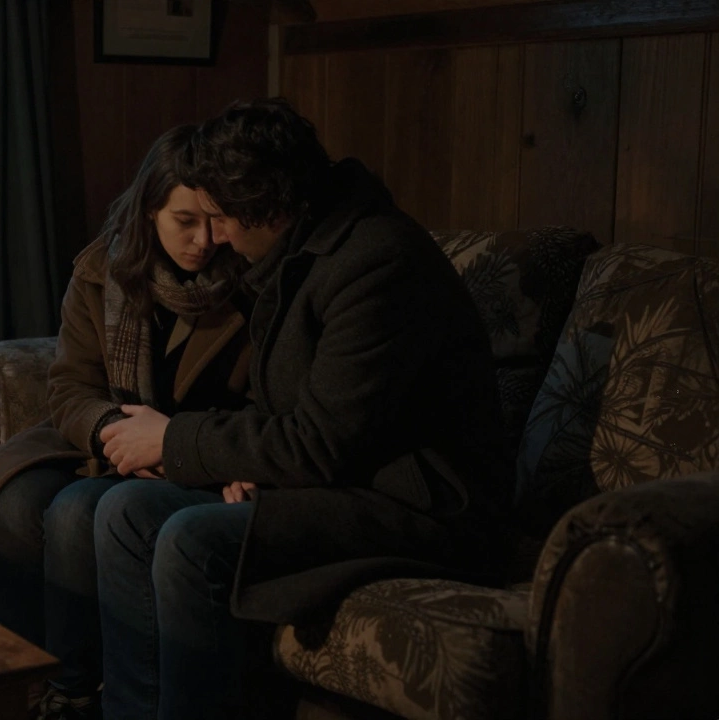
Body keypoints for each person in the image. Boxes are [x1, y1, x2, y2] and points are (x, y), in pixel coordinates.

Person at [93, 98, 511, 719]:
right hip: (345, 479)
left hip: (419, 502)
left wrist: (176, 440)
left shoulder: (377, 263)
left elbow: (322, 441)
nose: (219, 240)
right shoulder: (298, 253)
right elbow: (284, 403)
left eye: (222, 219)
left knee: (190, 538)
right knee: (125, 511)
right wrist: (243, 461)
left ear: (267, 209)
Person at [0, 124, 253, 719]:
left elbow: (262, 401)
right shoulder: (106, 269)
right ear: (151, 207)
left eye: (215, 221)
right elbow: (71, 385)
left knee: (77, 511)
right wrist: (111, 429)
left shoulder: (249, 281)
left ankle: (73, 691)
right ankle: (21, 683)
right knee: (14, 502)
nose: (205, 240)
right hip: (109, 442)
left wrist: (175, 445)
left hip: (194, 453)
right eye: (186, 221)